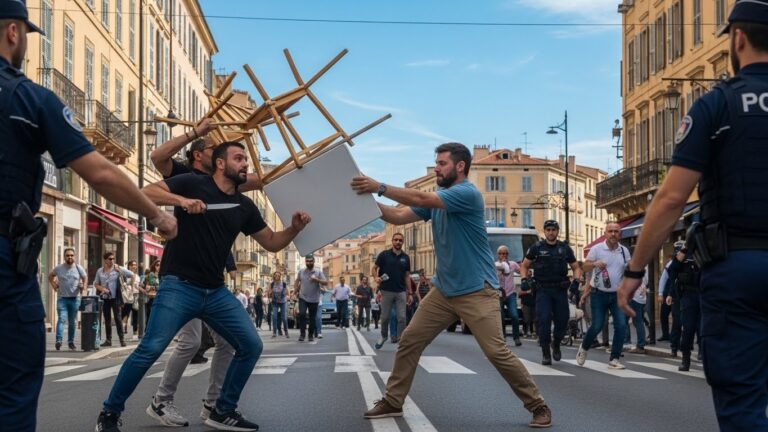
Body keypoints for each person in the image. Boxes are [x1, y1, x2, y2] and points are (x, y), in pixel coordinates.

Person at [0, 4, 177, 429]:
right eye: (27, 33)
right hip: (5, 267)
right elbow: (98, 172)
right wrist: (159, 215)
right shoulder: (26, 97)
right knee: (12, 391)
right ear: (12, 32)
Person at [618, 4, 768, 429]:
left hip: (736, 266)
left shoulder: (716, 105)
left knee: (742, 403)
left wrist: (634, 271)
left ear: (737, 38)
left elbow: (669, 200)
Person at [95, 142, 310, 432]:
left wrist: (294, 229)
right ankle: (109, 413)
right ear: (220, 164)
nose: (245, 163)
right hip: (179, 286)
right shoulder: (192, 183)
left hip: (215, 291)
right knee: (151, 348)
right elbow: (146, 193)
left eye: (246, 158)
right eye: (239, 158)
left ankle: (223, 409)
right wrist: (182, 202)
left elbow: (271, 242)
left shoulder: (245, 206)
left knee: (251, 344)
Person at [352, 142, 551, 428]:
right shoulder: (439, 200)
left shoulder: (466, 194)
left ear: (460, 166)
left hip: (477, 290)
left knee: (496, 351)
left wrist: (379, 186)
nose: (436, 167)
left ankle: (538, 405)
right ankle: (393, 401)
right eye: (436, 163)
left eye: (442, 163)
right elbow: (396, 216)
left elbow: (422, 198)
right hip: (444, 291)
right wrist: (360, 199)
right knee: (410, 340)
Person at [520, 220, 581, 365]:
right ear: (545, 231)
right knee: (544, 320)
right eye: (548, 229)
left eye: (553, 229)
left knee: (562, 320)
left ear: (557, 231)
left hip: (559, 290)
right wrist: (523, 279)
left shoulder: (564, 248)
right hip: (543, 290)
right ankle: (546, 352)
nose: (551, 232)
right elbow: (524, 265)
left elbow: (576, 267)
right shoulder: (536, 247)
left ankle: (557, 343)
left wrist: (576, 282)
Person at [577, 222, 631, 370]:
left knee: (621, 326)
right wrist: (595, 263)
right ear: (605, 233)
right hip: (598, 294)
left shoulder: (624, 251)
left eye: (616, 231)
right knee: (597, 325)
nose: (613, 234)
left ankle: (614, 359)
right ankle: (584, 346)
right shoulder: (597, 249)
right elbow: (584, 267)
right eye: (610, 231)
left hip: (617, 295)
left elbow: (628, 269)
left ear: (620, 234)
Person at [372, 233, 411, 349]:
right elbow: (374, 268)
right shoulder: (384, 255)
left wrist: (410, 292)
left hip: (400, 291)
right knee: (384, 318)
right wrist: (375, 277)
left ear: (402, 242)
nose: (398, 242)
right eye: (396, 240)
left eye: (400, 240)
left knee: (402, 318)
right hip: (386, 290)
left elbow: (407, 276)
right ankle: (384, 336)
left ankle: (400, 339)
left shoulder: (406, 257)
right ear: (392, 241)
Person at [666, 247, 701, 372]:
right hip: (689, 295)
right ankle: (686, 359)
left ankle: (703, 353)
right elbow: (672, 272)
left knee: (704, 326)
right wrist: (685, 249)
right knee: (688, 327)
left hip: (706, 294)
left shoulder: (710, 248)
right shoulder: (685, 253)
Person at [48, 247, 87, 351]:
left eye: (72, 255)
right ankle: (59, 340)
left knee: (72, 322)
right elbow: (50, 276)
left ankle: (71, 342)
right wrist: (54, 285)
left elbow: (85, 277)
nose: (70, 257)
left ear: (74, 256)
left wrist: (83, 287)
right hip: (62, 299)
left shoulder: (79, 268)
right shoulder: (59, 268)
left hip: (75, 299)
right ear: (64, 257)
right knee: (61, 319)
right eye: (68, 255)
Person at [93, 252, 134, 348]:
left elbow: (132, 275)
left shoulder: (117, 268)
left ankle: (122, 339)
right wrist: (103, 289)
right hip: (105, 298)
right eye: (110, 259)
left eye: (113, 258)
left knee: (118, 318)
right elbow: (96, 284)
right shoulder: (100, 271)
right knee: (107, 319)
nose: (112, 260)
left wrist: (130, 287)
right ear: (105, 260)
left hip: (116, 298)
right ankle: (108, 340)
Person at [294, 255, 328, 342]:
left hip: (314, 299)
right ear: (305, 262)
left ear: (314, 261)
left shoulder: (318, 272)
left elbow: (325, 282)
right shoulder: (301, 271)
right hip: (303, 297)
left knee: (312, 317)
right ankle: (302, 334)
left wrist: (317, 280)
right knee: (301, 314)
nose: (309, 262)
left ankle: (310, 335)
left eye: (310, 261)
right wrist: (295, 290)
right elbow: (297, 280)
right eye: (307, 261)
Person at [495, 245, 523, 347]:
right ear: (498, 255)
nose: (504, 255)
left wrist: (525, 271)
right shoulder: (495, 265)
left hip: (511, 293)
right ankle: (503, 337)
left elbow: (521, 271)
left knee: (514, 316)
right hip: (499, 294)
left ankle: (516, 337)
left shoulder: (512, 264)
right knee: (501, 317)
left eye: (506, 253)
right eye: (502, 253)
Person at [623, 267, 649, 354]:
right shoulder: (646, 268)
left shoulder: (635, 266)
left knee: (625, 319)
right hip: (641, 297)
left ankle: (634, 343)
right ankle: (640, 344)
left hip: (634, 297)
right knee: (638, 321)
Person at [120, 260, 141, 340]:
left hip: (135, 296)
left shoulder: (137, 276)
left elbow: (137, 286)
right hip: (128, 296)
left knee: (135, 315)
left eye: (135, 265)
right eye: (132, 265)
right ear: (128, 266)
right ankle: (121, 331)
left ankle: (135, 334)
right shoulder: (126, 275)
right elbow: (123, 284)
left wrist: (143, 290)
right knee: (125, 314)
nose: (134, 266)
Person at [267, 272, 289, 338]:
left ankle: (286, 331)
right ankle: (274, 333)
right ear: (274, 276)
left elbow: (288, 293)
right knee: (274, 317)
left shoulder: (284, 284)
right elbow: (269, 293)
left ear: (280, 276)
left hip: (283, 302)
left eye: (278, 275)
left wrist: (284, 293)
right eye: (275, 275)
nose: (276, 276)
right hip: (275, 302)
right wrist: (270, 293)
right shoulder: (272, 284)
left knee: (284, 317)